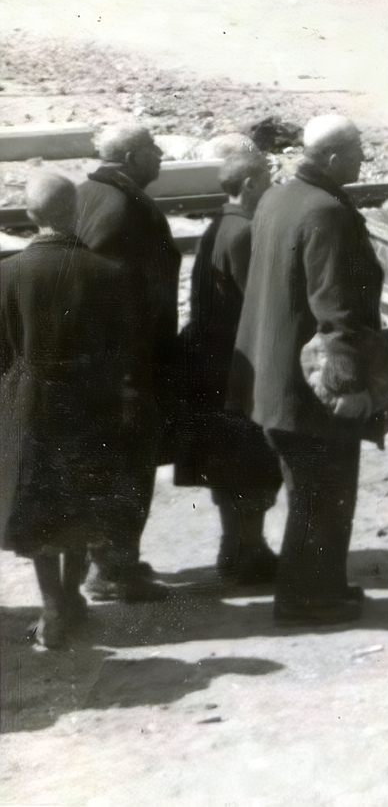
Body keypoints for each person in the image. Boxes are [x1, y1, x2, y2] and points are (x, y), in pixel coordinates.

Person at [229, 116, 388, 626]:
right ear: (335, 158)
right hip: (310, 389)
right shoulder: (325, 214)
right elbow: (335, 311)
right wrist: (350, 388)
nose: (364, 159)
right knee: (323, 494)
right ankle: (307, 601)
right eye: (359, 149)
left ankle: (323, 588)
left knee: (311, 492)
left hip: (274, 380)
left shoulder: (279, 197)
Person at [1, 173, 132, 648]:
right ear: (74, 212)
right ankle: (72, 596)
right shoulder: (107, 272)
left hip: (29, 404)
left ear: (30, 215)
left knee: (38, 507)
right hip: (90, 403)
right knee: (81, 501)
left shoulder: (9, 273)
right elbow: (124, 350)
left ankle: (54, 605)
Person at [75, 122, 179, 603]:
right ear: (135, 156)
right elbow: (106, 291)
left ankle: (114, 559)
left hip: (105, 364)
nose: (160, 156)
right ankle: (113, 570)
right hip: (124, 365)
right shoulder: (121, 208)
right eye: (154, 148)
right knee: (127, 464)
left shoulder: (90, 193)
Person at [171, 149, 282, 586]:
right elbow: (262, 302)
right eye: (268, 176)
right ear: (251, 183)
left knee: (228, 465)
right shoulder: (245, 232)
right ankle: (247, 552)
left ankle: (235, 547)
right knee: (251, 462)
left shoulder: (218, 225)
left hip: (211, 361)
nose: (272, 185)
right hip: (237, 366)